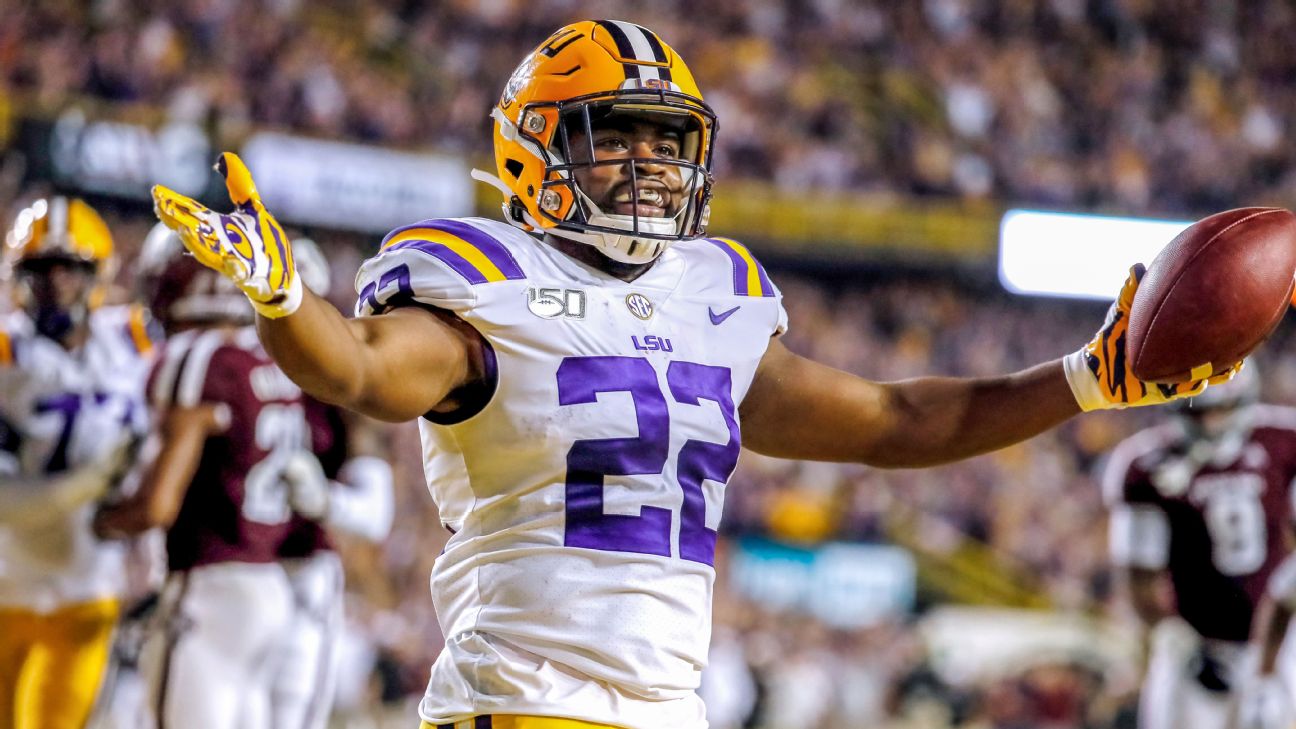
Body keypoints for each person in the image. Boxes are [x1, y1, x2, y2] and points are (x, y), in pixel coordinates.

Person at [148, 20, 1239, 729]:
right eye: (617, 138)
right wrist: (286, 297)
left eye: (668, 144)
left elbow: (895, 418)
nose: (652, 165)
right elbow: (367, 374)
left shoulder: (711, 290)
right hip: (524, 707)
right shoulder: (480, 273)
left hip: (671, 710)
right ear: (536, 150)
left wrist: (1083, 380)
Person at [91, 225, 313, 729]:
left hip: (209, 586)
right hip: (266, 583)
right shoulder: (265, 358)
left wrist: (95, 521)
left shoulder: (198, 356)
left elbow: (157, 505)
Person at [0, 197, 153, 729]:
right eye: (41, 269)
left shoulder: (136, 340)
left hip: (87, 591)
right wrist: (94, 480)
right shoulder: (4, 355)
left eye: (71, 268)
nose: (56, 284)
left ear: (100, 275)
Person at [1102, 364, 1296, 729]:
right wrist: (1174, 638)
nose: (1211, 425)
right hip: (1197, 645)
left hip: (1279, 641)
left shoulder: (1284, 440)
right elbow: (1139, 577)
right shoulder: (1145, 465)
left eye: (1222, 411)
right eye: (1199, 412)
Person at [272, 237, 395, 729]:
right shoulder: (220, 368)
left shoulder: (341, 400)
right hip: (221, 567)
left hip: (300, 575)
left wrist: (324, 500)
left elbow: (375, 516)